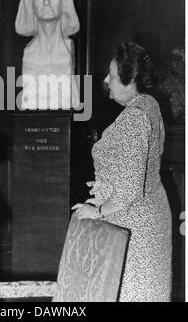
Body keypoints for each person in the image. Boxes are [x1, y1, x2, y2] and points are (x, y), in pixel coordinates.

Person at [72, 42, 172, 302]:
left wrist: (97, 211)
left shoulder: (134, 118)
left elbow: (129, 190)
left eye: (113, 77)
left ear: (130, 82)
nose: (106, 81)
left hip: (135, 224)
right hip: (146, 215)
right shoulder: (149, 105)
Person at [15, 0, 80, 109]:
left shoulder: (68, 48)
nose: (46, 2)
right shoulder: (29, 52)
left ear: (63, 3)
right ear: (31, 6)